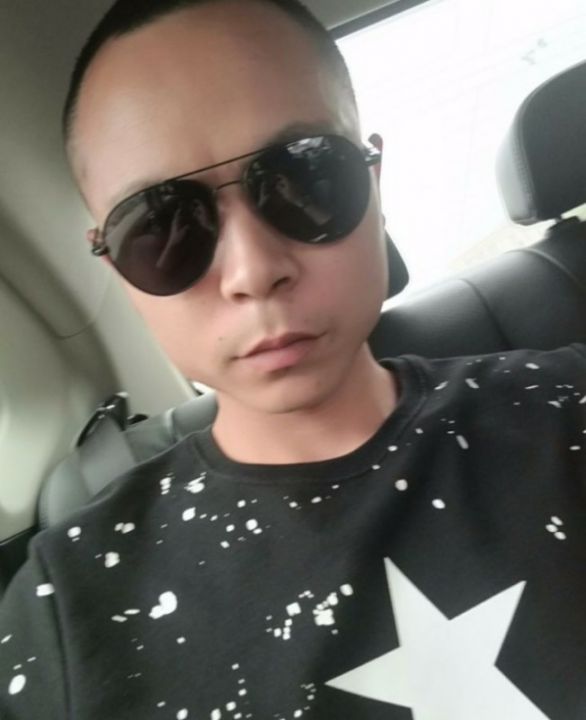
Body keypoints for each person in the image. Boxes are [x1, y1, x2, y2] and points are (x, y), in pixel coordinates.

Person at [1, 1, 585, 718]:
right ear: (112, 263)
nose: (253, 270)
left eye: (305, 178)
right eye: (159, 223)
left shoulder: (567, 404)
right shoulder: (66, 604)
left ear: (376, 183)